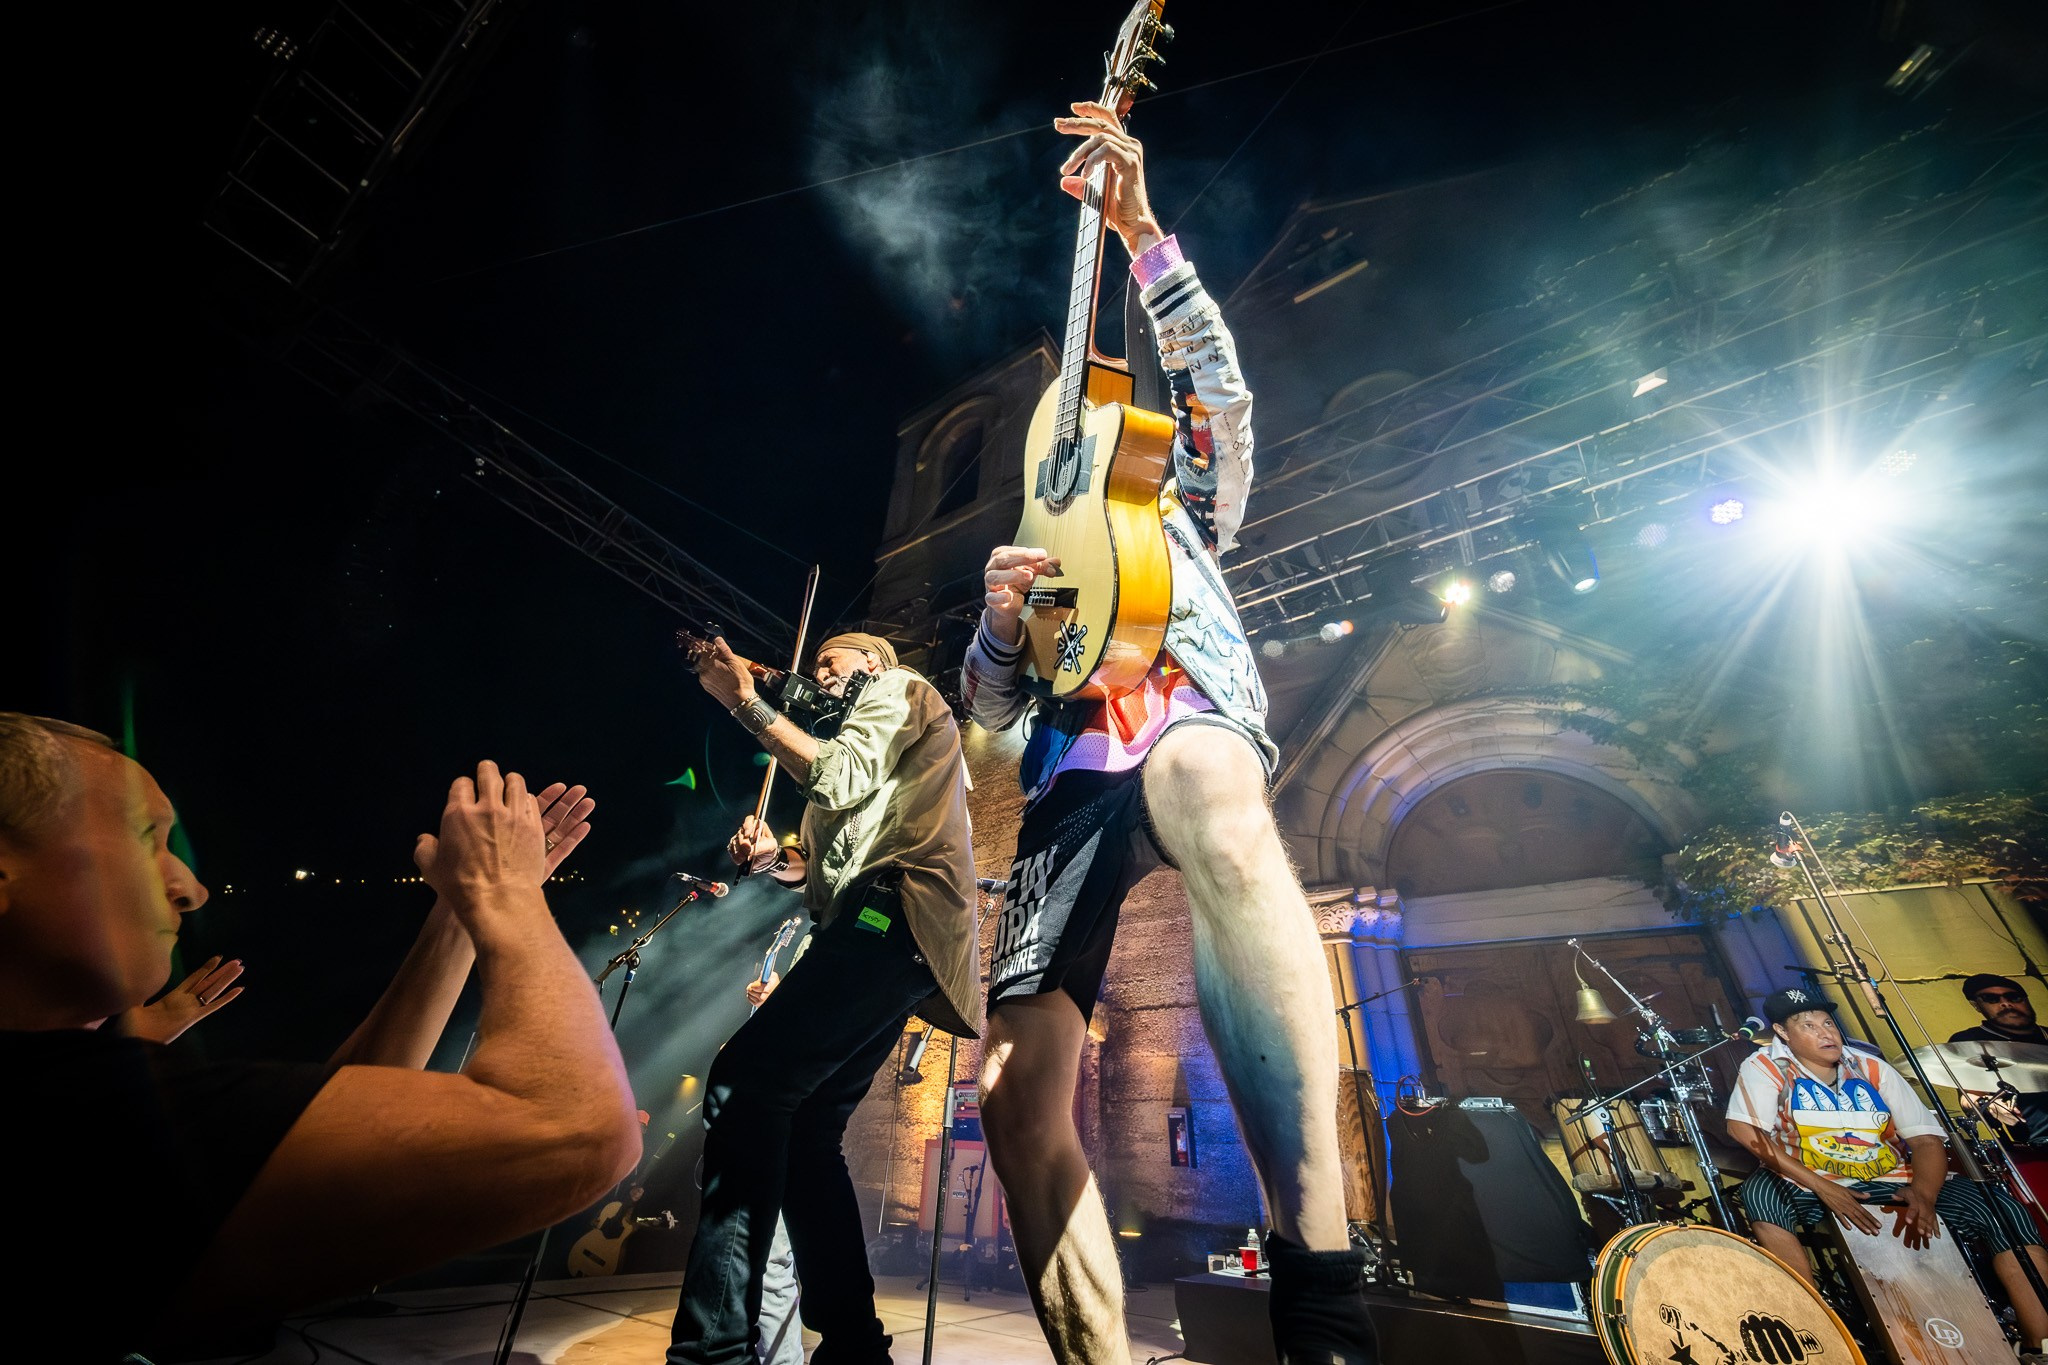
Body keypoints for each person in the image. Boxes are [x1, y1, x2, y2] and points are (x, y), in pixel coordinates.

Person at [960, 102, 1377, 1365]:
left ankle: (1322, 1296)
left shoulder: (1178, 500)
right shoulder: (1044, 563)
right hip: (1067, 780)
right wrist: (992, 627)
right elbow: (985, 728)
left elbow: (1222, 394)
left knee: (1208, 791)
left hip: (1188, 711)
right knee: (1011, 1096)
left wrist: (1142, 235)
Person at [0, 713, 641, 1359]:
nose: (190, 889)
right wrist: (503, 892)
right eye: (147, 839)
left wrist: (459, 916)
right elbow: (574, 1130)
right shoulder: (71, 1107)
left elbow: (365, 1114)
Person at [671, 631, 982, 1365]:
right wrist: (776, 859)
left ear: (871, 663)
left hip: (890, 916)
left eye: (828, 663)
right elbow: (818, 867)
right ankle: (854, 1347)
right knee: (808, 1129)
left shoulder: (899, 690)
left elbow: (837, 778)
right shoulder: (860, 739)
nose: (816, 675)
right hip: (883, 932)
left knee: (744, 1085)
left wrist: (746, 701)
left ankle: (714, 1351)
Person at [1726, 987, 2048, 1347]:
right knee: (1760, 1194)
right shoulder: (1764, 1066)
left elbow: (1926, 1140)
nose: (1825, 1033)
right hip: (1809, 1182)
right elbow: (1745, 1130)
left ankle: (2041, 1343)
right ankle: (1814, 1332)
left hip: (1891, 1177)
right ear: (1783, 1033)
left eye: (1828, 1023)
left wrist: (1924, 1194)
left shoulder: (1871, 1067)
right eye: (1809, 1026)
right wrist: (1823, 1186)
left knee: (1998, 1206)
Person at [1947, 972, 2048, 1145]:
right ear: (1976, 1005)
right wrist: (1990, 1104)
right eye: (1991, 999)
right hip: (2040, 1143)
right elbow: (1968, 1096)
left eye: (2014, 997)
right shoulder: (1970, 1041)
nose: (2005, 1003)